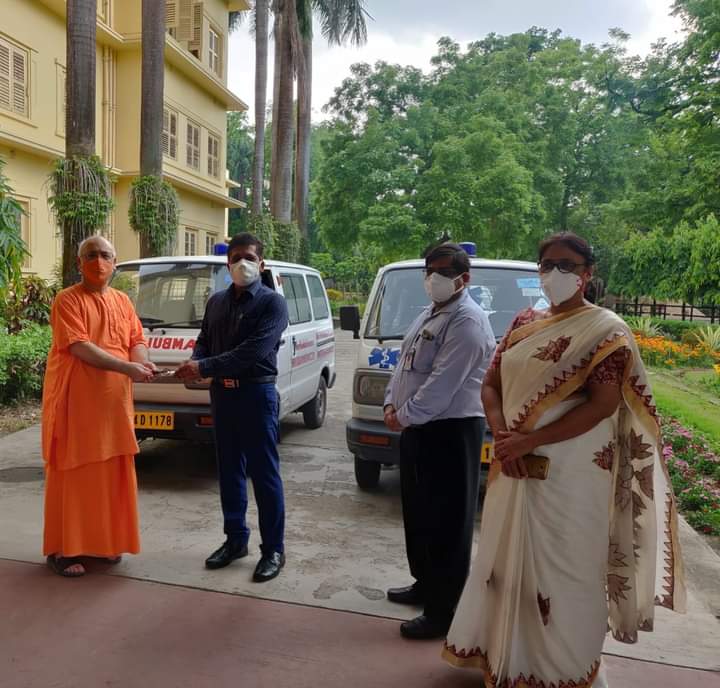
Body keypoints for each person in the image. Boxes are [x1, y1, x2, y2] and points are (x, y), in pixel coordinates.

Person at [443, 233, 686, 687]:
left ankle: (561, 671)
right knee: (502, 561)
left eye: (567, 265)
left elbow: (603, 404)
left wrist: (530, 439)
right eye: (547, 264)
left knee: (566, 572)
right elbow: (490, 382)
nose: (555, 273)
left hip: (571, 474)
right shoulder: (523, 320)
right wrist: (504, 435)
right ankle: (504, 657)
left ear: (587, 274)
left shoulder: (606, 329)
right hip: (513, 464)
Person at [383, 242, 496, 640]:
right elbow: (403, 367)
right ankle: (425, 584)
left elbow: (441, 385)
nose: (434, 278)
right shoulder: (431, 313)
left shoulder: (467, 321)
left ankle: (443, 611)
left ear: (465, 278)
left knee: (447, 521)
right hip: (419, 428)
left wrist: (404, 415)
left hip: (449, 430)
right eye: (430, 270)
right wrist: (389, 404)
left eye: (444, 271)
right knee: (419, 513)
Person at [175, 232, 289, 583]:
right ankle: (235, 539)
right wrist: (195, 362)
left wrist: (203, 367)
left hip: (256, 395)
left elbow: (252, 352)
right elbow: (204, 341)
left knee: (264, 475)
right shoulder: (216, 302)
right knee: (229, 472)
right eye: (236, 257)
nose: (243, 263)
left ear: (261, 263)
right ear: (228, 263)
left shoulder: (272, 304)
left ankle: (273, 550)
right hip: (222, 397)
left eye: (250, 257)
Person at [42, 235, 157, 577]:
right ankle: (63, 550)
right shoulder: (67, 300)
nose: (98, 261)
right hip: (76, 404)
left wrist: (143, 363)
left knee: (112, 476)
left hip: (114, 406)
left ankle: (106, 544)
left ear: (115, 262)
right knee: (74, 476)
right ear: (80, 263)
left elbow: (136, 340)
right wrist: (127, 368)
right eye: (90, 255)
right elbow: (78, 347)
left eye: (105, 255)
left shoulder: (123, 301)